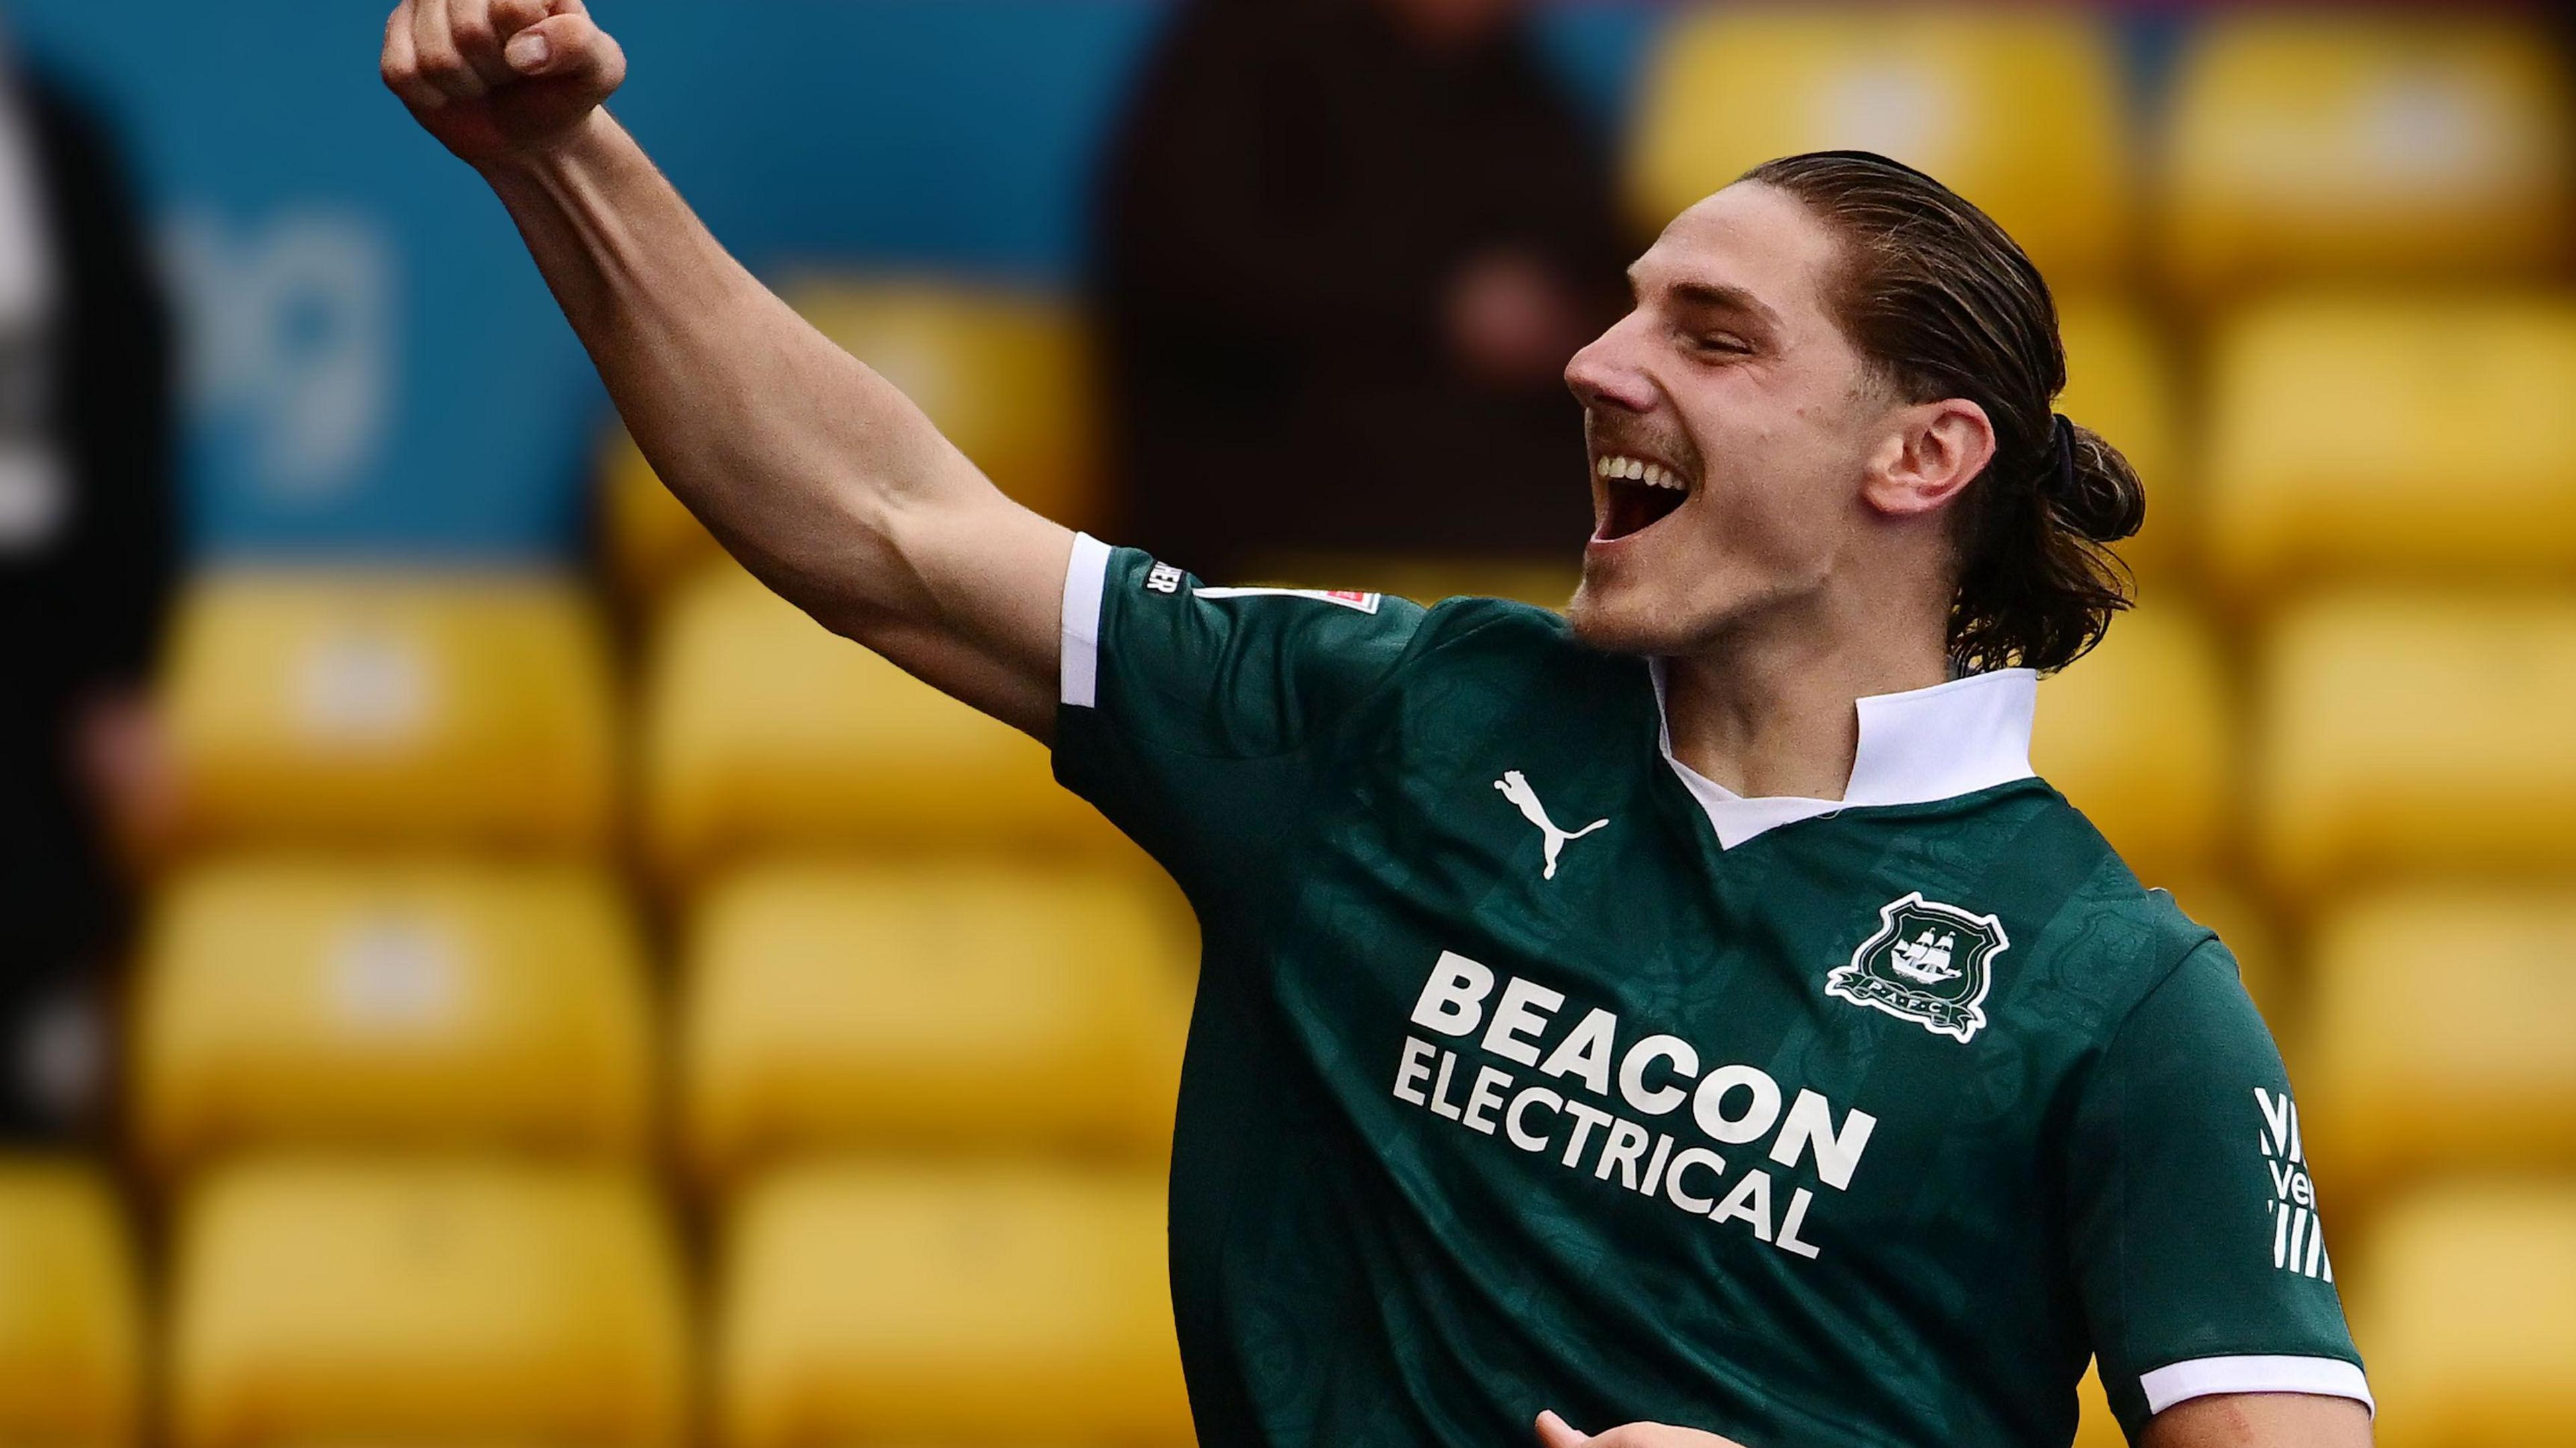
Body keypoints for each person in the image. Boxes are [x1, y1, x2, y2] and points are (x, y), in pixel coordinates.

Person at [378, 5, 2374, 1444]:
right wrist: (561, 161)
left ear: (1917, 451)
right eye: (1619, 303)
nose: (1595, 360)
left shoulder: (2119, 998)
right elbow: (891, 528)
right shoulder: (1387, 721)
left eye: (1707, 331)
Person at [1090, 0, 1625, 578]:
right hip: (1270, 459)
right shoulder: (1250, 42)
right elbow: (1187, 258)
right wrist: (1441, 309)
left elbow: (1587, 246)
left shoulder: (1512, 77)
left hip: (1478, 441)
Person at [0, 35, 178, 1140]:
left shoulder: (61, 137)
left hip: (35, 643)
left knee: (36, 975)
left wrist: (125, 674)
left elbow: (128, 411)